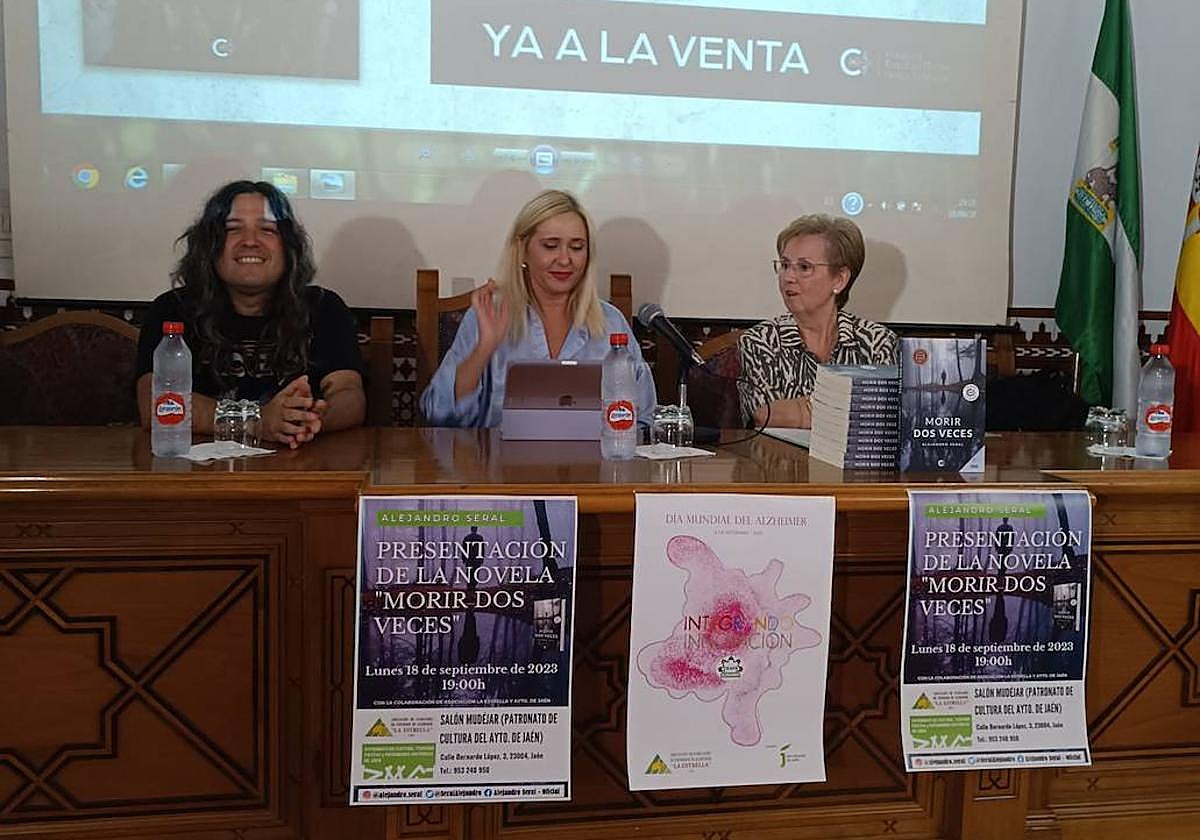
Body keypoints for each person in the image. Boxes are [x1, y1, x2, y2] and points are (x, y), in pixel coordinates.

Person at [136, 180, 365, 448]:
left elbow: (350, 396)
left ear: (289, 247)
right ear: (210, 246)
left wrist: (306, 419)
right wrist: (256, 421)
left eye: (267, 230)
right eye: (233, 229)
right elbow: (155, 405)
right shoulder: (172, 309)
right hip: (197, 475)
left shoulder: (323, 307)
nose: (250, 242)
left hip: (299, 468)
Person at [421, 189, 655, 427]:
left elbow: (644, 418)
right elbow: (439, 413)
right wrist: (484, 348)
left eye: (576, 247)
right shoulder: (492, 313)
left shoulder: (610, 321)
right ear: (523, 249)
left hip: (593, 462)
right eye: (551, 246)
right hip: (501, 461)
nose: (564, 260)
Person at [737, 214, 898, 428]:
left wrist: (806, 409)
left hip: (854, 461)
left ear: (840, 279)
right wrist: (852, 409)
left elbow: (885, 418)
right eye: (785, 265)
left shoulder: (877, 342)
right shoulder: (761, 341)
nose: (788, 277)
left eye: (804, 267)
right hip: (781, 460)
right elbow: (765, 414)